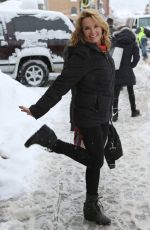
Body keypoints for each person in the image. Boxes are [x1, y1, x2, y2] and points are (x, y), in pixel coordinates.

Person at [19, 9, 115, 225]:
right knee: (96, 160)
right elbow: (61, 84)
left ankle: (91, 207)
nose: (92, 32)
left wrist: (110, 111)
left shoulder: (103, 50)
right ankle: (50, 141)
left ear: (102, 28)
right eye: (86, 29)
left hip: (101, 114)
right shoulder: (83, 55)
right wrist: (37, 109)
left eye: (95, 27)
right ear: (81, 32)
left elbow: (107, 84)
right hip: (87, 115)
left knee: (94, 162)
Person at [111, 27, 140, 122]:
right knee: (130, 91)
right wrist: (131, 65)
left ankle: (115, 114)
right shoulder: (133, 42)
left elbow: (110, 54)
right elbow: (136, 57)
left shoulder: (115, 40)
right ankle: (133, 111)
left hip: (117, 70)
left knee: (115, 93)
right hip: (128, 70)